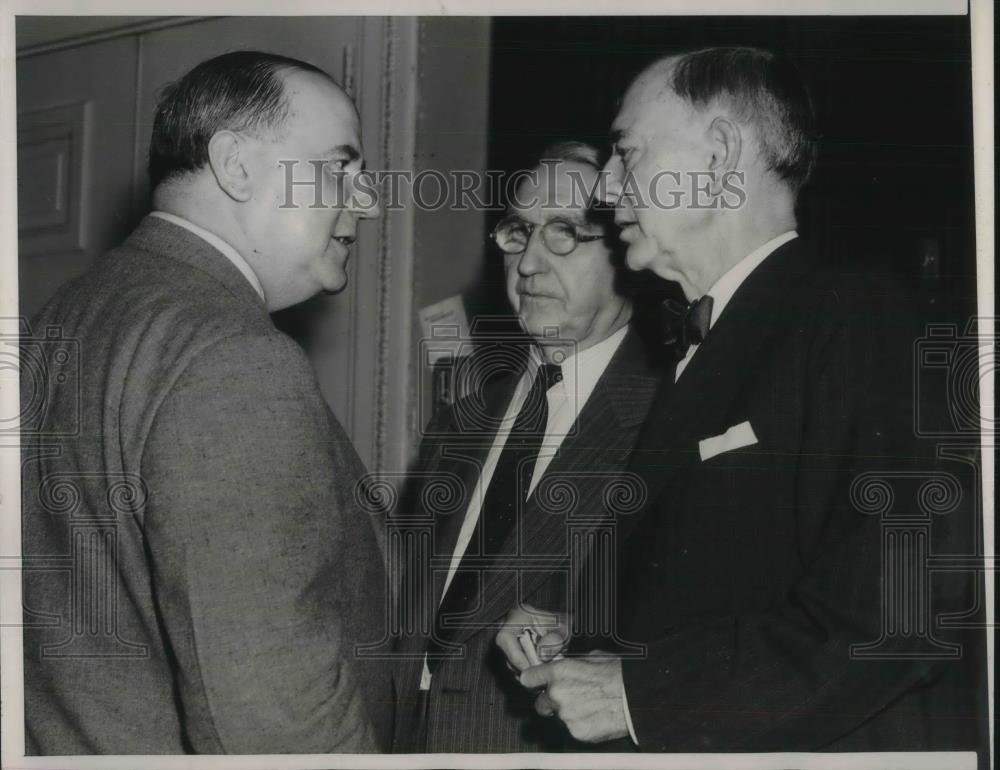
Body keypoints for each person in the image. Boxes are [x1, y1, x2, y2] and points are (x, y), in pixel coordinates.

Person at [499, 47, 985, 755]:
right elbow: (745, 583)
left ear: (721, 154)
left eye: (626, 152)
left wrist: (637, 693)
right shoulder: (708, 342)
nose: (605, 189)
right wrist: (589, 635)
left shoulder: (856, 317)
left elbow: (897, 615)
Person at [21, 51, 389, 754]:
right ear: (238, 165)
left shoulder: (62, 320)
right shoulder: (233, 356)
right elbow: (272, 721)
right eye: (340, 167)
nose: (366, 199)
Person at [391, 142, 664, 752]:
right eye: (518, 232)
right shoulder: (464, 415)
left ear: (628, 251)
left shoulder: (665, 425)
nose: (530, 264)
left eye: (565, 232)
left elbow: (701, 635)